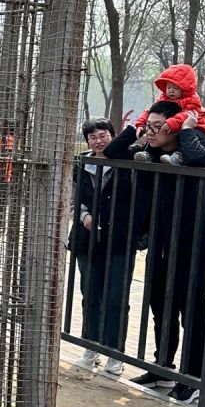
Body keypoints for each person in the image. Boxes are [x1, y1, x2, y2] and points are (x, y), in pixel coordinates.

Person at [105, 101, 205, 403]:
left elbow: (202, 159)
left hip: (189, 242)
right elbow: (113, 153)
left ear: (177, 126)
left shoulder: (199, 148)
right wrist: (135, 127)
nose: (151, 131)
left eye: (159, 126)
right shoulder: (149, 152)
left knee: (190, 307)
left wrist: (188, 130)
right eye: (149, 125)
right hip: (158, 238)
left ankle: (193, 377)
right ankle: (162, 367)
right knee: (159, 303)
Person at [69, 119, 138, 377]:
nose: (99, 140)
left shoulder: (129, 161)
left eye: (104, 135)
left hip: (119, 240)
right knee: (91, 294)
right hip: (88, 240)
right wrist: (84, 215)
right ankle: (90, 346)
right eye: (93, 137)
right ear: (87, 141)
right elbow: (74, 198)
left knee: (117, 297)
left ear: (113, 135)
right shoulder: (81, 163)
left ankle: (114, 352)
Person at [132, 64, 205, 141]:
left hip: (197, 127)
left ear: (184, 89)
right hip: (176, 126)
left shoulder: (191, 100)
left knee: (186, 137)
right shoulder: (164, 98)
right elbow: (151, 111)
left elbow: (188, 114)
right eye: (168, 87)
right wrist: (141, 123)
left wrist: (174, 121)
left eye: (175, 88)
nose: (171, 91)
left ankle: (180, 153)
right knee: (160, 134)